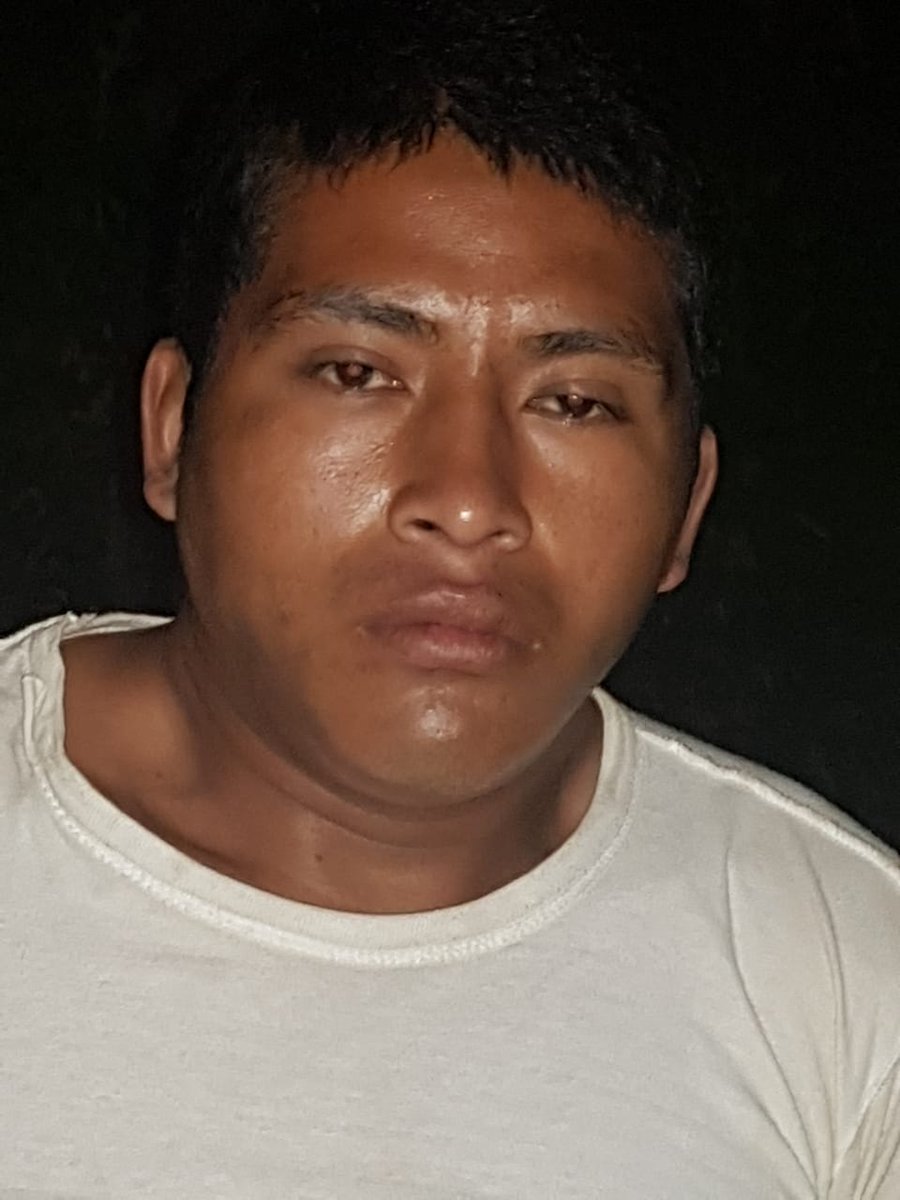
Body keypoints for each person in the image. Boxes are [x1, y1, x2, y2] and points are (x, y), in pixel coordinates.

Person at [2, 3, 898, 1196]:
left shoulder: (847, 979)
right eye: (357, 372)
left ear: (686, 507)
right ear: (173, 430)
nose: (469, 501)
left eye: (574, 402)